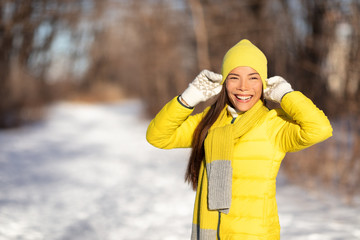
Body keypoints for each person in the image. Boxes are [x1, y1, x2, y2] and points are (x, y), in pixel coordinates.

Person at [146, 39, 332, 240]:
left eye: (253, 78)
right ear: (224, 82)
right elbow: (157, 136)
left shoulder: (274, 125)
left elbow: (320, 129)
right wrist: (189, 97)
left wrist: (286, 95)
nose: (243, 87)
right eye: (234, 78)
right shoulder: (210, 122)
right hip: (212, 233)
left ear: (264, 83)